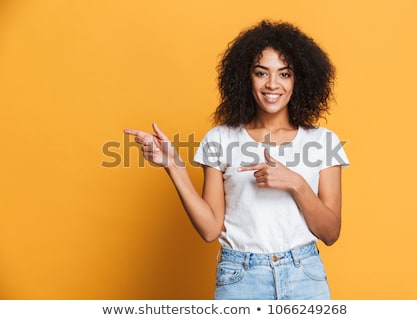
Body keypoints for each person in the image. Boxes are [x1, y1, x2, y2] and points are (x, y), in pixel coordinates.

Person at [124, 20, 349, 300]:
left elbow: (330, 233)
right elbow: (209, 230)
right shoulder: (220, 139)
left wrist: (296, 184)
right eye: (261, 73)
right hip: (241, 278)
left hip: (305, 277)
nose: (272, 84)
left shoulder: (323, 141)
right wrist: (173, 165)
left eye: (284, 74)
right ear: (246, 77)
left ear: (299, 80)